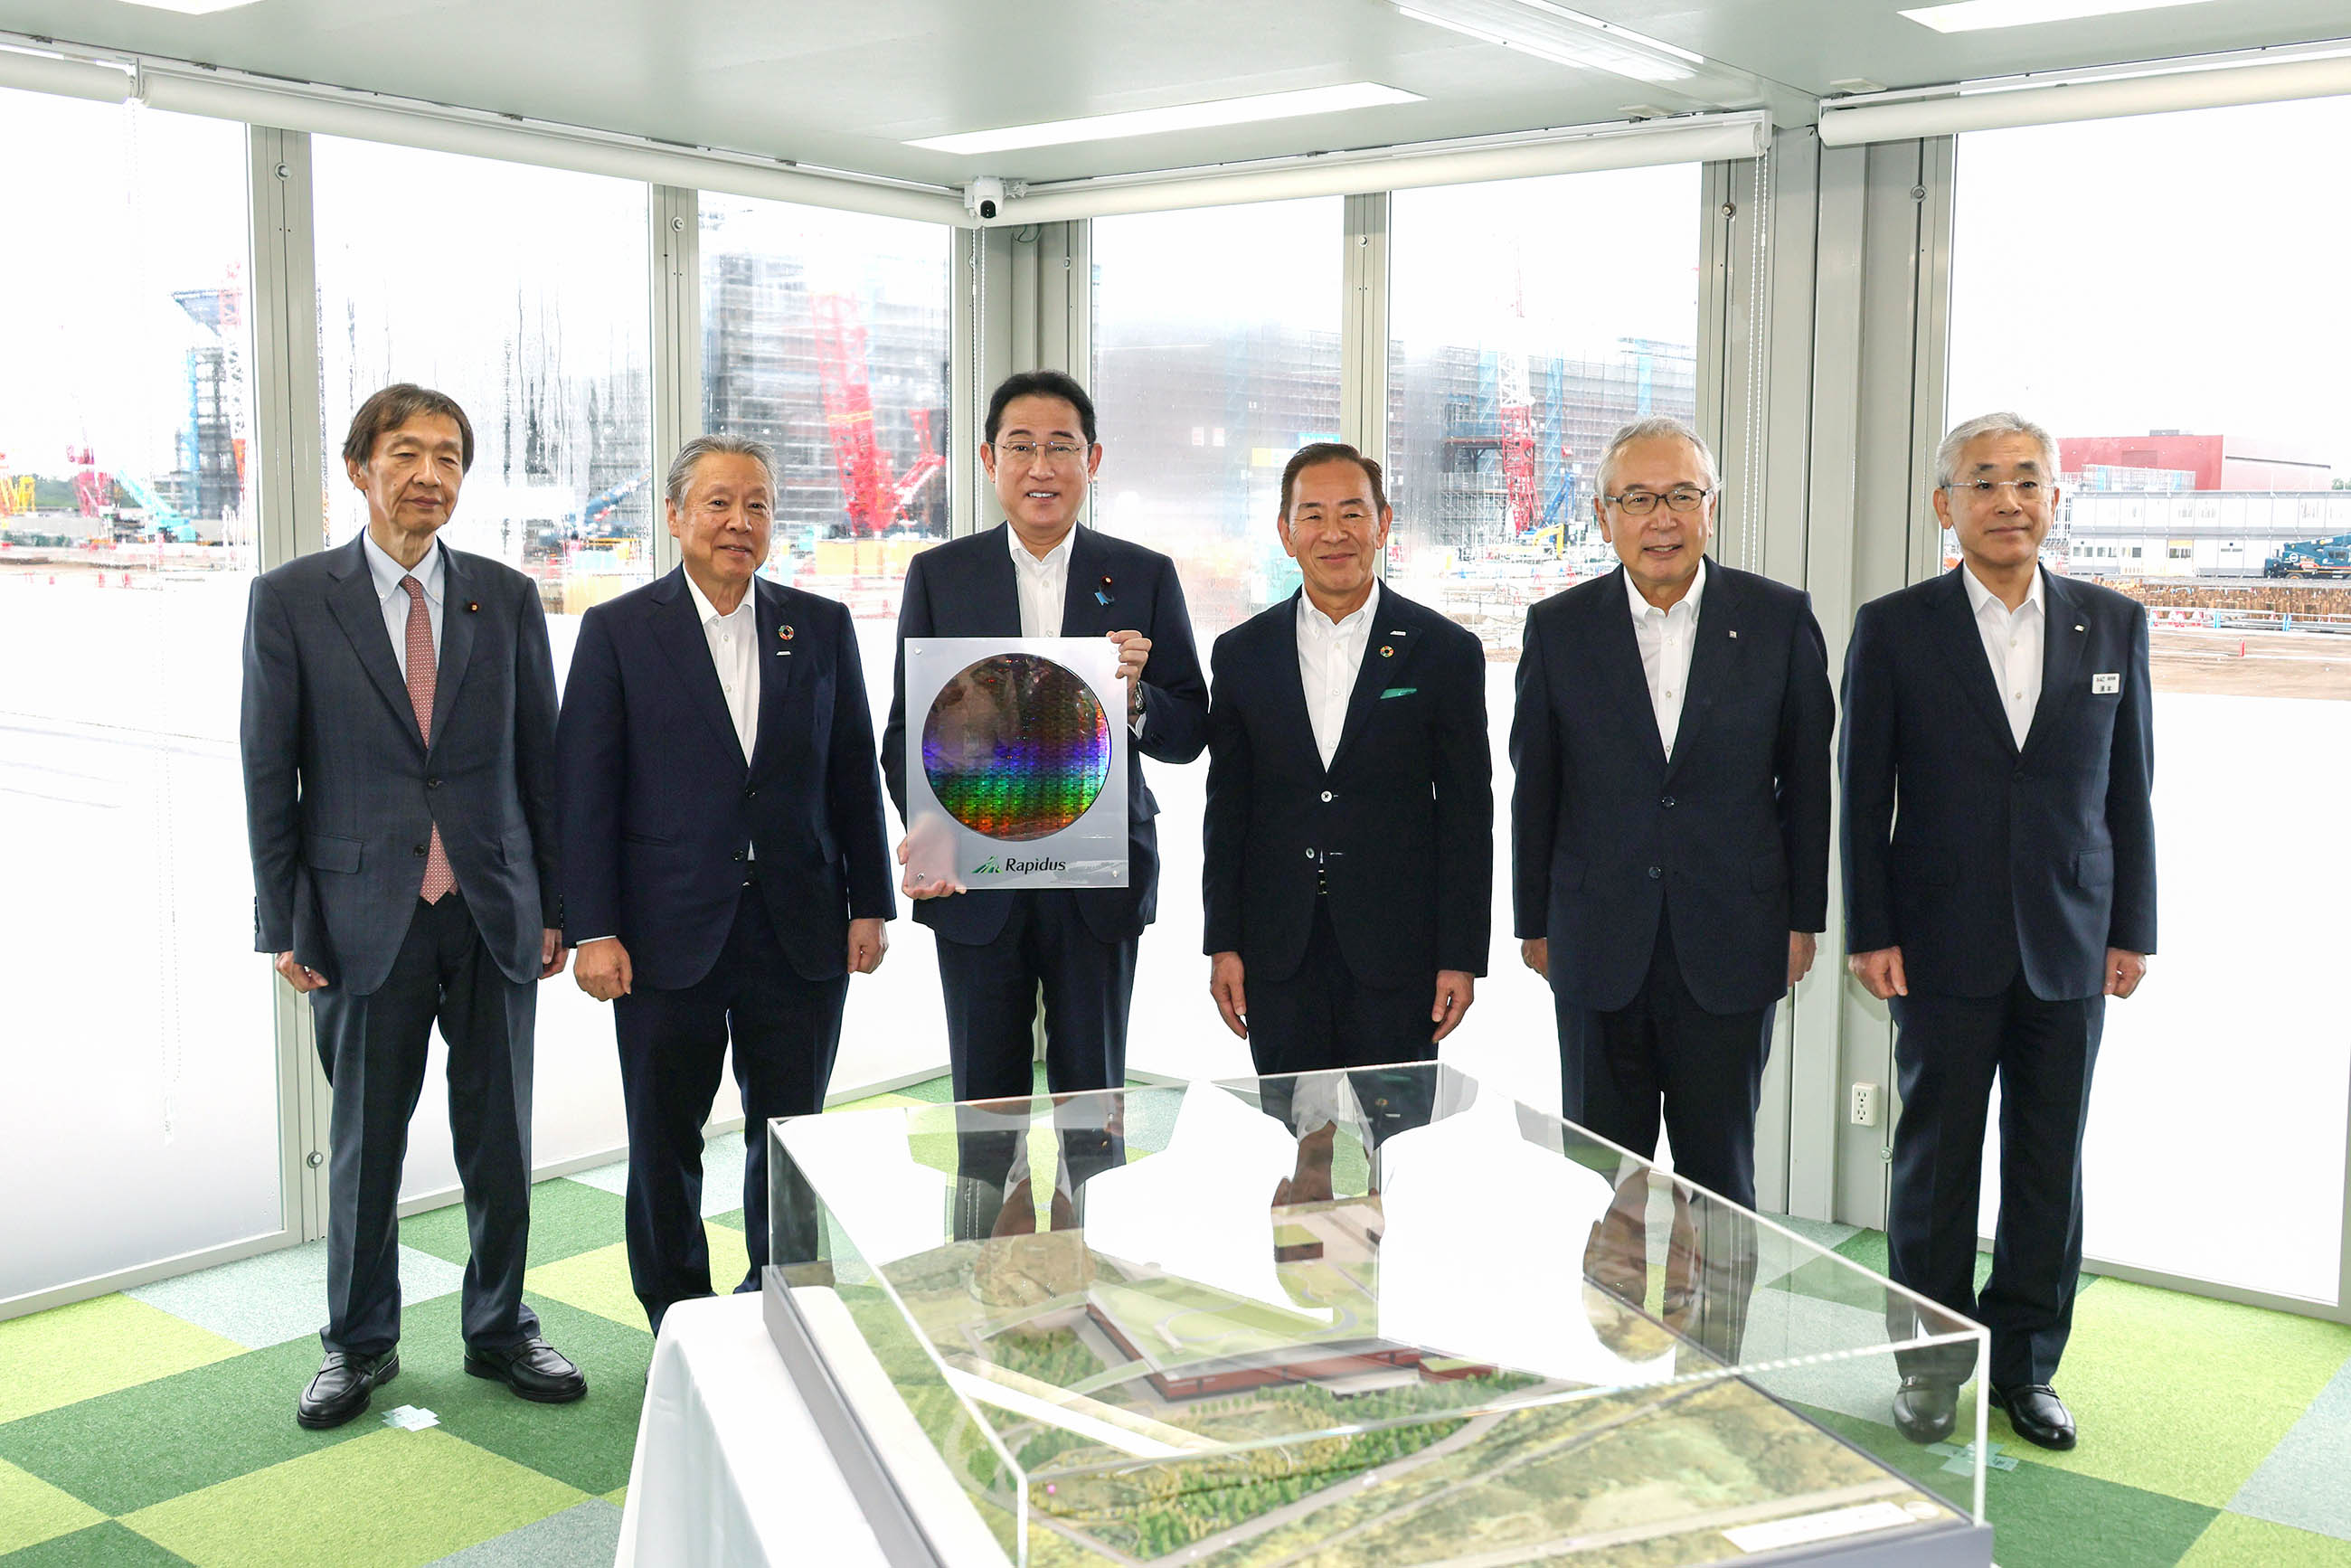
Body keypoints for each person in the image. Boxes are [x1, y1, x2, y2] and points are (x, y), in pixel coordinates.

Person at [241, 383, 581, 1429]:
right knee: (365, 1144)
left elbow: (543, 766)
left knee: (498, 1139)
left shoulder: (507, 597)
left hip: (491, 911)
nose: (429, 473)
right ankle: (358, 1342)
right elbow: (269, 772)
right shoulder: (292, 598)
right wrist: (282, 919)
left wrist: (556, 902)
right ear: (360, 468)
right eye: (405, 453)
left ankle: (499, 1327)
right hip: (355, 917)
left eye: (447, 456)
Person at [1843, 411, 2154, 1452]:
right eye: (1982, 482)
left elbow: (2129, 795)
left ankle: (2027, 1368)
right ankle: (1929, 1371)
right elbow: (1860, 795)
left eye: (2027, 480)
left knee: (2044, 1162)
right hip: (1935, 943)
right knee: (1932, 1166)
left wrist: (2133, 929)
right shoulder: (1892, 626)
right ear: (1945, 506)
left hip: (2071, 939)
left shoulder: (2111, 624)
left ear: (2054, 499)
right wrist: (1869, 928)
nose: (2006, 500)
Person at [557, 435, 893, 1335]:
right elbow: (582, 790)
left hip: (802, 926)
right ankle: (677, 1314)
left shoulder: (816, 628)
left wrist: (869, 903)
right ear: (675, 516)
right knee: (665, 1142)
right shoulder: (618, 632)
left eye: (755, 505)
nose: (738, 522)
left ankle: (782, 1304)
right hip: (664, 933)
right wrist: (592, 926)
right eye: (717, 503)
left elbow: (850, 774)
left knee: (789, 1138)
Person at [880, 370, 1207, 1232]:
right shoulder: (941, 575)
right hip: (975, 881)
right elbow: (905, 729)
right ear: (989, 460)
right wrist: (929, 829)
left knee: (1091, 1101)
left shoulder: (1141, 575)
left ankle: (1098, 1267)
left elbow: (1188, 729)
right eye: (1021, 445)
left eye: (1062, 445)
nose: (1042, 464)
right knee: (983, 1108)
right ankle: (977, 1277)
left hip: (1097, 878)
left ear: (1091, 459)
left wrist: (1135, 698)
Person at [1511, 416, 1834, 1212]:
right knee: (1596, 1185)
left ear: (1711, 506)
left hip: (1733, 939)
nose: (1662, 518)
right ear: (1602, 515)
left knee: (1718, 1184)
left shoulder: (1779, 621)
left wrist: (1802, 920)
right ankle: (1599, 1336)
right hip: (1594, 940)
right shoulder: (1558, 629)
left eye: (1682, 495)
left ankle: (1711, 1339)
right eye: (1638, 498)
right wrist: (1534, 922)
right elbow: (1534, 788)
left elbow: (1808, 784)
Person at [1202, 442, 1488, 1179]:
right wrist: (1223, 941)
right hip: (1277, 946)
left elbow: (1466, 816)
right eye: (1314, 515)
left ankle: (1380, 1289)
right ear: (1286, 531)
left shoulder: (1444, 652)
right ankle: (1300, 1282)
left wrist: (1461, 953)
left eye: (1353, 512)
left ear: (1383, 523)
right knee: (1298, 1148)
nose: (1335, 533)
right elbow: (1227, 808)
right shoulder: (1241, 653)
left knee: (1392, 1151)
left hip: (1399, 950)